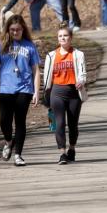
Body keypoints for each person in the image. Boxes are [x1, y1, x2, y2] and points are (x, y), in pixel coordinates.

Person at [0, 14, 41, 167]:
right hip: (6, 88)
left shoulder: (29, 46)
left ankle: (18, 155)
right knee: (4, 121)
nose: (15, 32)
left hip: (24, 89)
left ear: (23, 29)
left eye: (18, 29)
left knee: (20, 121)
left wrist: (37, 91)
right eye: (12, 30)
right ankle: (9, 142)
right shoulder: (0, 45)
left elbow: (36, 70)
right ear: (8, 30)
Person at [42, 26, 87, 164]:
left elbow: (83, 72)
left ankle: (72, 148)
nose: (63, 38)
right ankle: (62, 153)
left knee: (73, 124)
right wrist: (46, 94)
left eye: (65, 35)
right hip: (57, 92)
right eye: (60, 36)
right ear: (58, 38)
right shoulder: (51, 55)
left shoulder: (78, 54)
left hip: (74, 93)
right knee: (59, 123)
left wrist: (81, 81)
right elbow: (47, 77)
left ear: (71, 38)